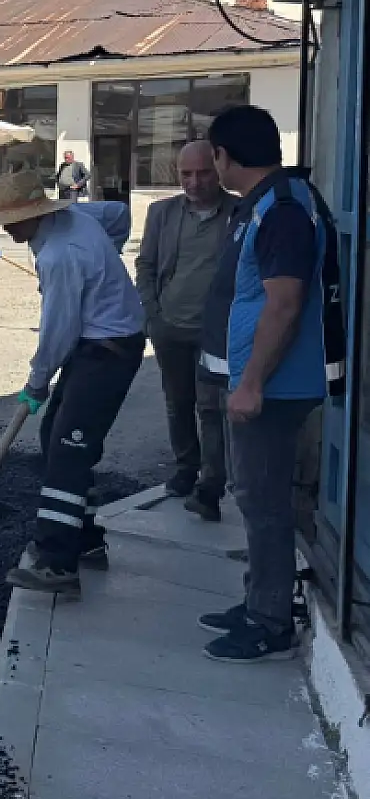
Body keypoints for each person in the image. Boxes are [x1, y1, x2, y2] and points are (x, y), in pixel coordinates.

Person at [197, 105, 339, 663]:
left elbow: (284, 304)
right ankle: (259, 598)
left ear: (223, 156)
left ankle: (269, 621)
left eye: (212, 157)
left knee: (264, 501)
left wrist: (252, 383)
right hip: (269, 381)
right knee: (254, 495)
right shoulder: (268, 204)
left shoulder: (280, 211)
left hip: (276, 385)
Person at [0, 170, 147, 595]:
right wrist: (105, 266)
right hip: (98, 343)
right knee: (55, 434)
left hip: (107, 351)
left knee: (69, 451)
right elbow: (119, 215)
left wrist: (37, 383)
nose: (6, 229)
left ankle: (57, 564)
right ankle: (85, 539)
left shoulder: (61, 255)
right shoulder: (82, 218)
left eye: (11, 220)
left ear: (35, 213)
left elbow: (58, 331)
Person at [134, 140, 231, 519]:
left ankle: (211, 484)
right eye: (185, 173)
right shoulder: (162, 213)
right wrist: (152, 315)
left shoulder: (239, 213)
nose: (194, 181)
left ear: (218, 170)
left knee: (210, 407)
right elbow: (146, 265)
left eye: (203, 173)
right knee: (178, 403)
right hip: (169, 328)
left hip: (215, 334)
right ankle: (186, 468)